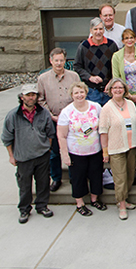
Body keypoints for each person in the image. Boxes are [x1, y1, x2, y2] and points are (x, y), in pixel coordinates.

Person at [1, 84, 56, 224]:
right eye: (28, 95)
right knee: (24, 185)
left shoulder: (43, 113)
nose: (31, 98)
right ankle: (24, 209)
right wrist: (11, 156)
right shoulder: (13, 115)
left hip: (42, 155)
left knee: (43, 182)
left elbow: (50, 133)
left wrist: (47, 148)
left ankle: (42, 206)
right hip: (23, 156)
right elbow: (7, 137)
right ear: (21, 97)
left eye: (33, 95)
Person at [57, 81, 106, 216]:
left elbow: (102, 129)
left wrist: (104, 149)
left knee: (96, 176)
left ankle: (95, 199)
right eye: (76, 93)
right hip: (76, 152)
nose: (79, 95)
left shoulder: (96, 107)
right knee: (78, 178)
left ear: (86, 92)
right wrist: (65, 155)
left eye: (81, 92)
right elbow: (61, 135)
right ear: (72, 95)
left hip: (95, 150)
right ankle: (80, 203)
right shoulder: (67, 112)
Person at [37, 47, 79, 193]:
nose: (59, 63)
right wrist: (51, 116)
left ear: (65, 61)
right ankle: (56, 178)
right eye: (56, 61)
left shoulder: (74, 76)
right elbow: (40, 100)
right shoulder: (43, 79)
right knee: (55, 151)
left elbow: (79, 96)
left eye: (62, 60)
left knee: (73, 149)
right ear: (51, 61)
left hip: (72, 121)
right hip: (52, 119)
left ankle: (75, 177)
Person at [99, 78, 136, 221]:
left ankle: (124, 199)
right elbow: (103, 131)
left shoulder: (130, 104)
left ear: (125, 89)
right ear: (110, 90)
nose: (118, 90)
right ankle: (121, 204)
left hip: (132, 145)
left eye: (120, 87)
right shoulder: (106, 108)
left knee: (130, 175)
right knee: (120, 177)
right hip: (116, 148)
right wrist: (104, 151)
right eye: (115, 88)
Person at [74, 18, 119, 105]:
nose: (98, 32)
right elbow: (77, 66)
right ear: (91, 30)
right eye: (95, 29)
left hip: (108, 90)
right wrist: (90, 77)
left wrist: (112, 81)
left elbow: (117, 66)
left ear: (104, 30)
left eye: (100, 29)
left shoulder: (111, 45)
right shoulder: (84, 46)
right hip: (91, 91)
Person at [112, 28, 136, 116]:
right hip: (124, 95)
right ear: (123, 41)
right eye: (126, 38)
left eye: (131, 37)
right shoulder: (117, 56)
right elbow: (116, 78)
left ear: (135, 39)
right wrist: (129, 95)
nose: (129, 40)